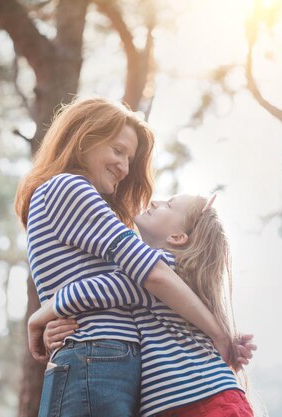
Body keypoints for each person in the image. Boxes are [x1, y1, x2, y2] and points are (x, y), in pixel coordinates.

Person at [14, 97, 239, 417]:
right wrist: (219, 333)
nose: (125, 166)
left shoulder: (71, 198)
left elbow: (129, 285)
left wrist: (47, 312)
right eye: (118, 151)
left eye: (130, 158)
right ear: (83, 139)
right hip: (94, 355)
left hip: (99, 357)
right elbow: (151, 275)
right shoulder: (67, 188)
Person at [30, 194, 255, 417]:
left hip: (207, 403)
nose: (156, 201)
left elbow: (90, 291)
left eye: (169, 205)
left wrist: (38, 318)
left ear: (177, 237)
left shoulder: (158, 270)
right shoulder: (173, 277)